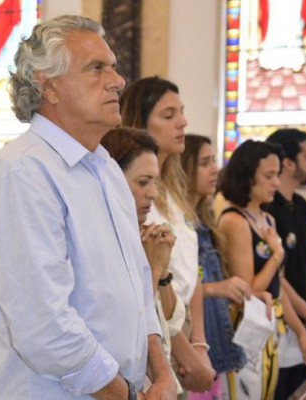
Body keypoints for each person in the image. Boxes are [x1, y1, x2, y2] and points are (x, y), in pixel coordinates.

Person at [0, 15, 176, 400]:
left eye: (113, 68)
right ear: (49, 86)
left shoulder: (107, 169)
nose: (117, 81)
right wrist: (125, 394)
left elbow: (135, 291)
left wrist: (161, 371)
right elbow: (43, 325)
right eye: (97, 68)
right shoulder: (22, 172)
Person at [120, 77, 215, 395]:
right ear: (140, 123)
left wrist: (199, 341)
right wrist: (188, 352)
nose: (183, 121)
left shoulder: (173, 187)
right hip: (159, 328)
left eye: (182, 112)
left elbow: (194, 268)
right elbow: (153, 279)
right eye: (168, 114)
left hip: (184, 323)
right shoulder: (131, 194)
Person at [217, 140, 306, 400]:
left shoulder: (267, 219)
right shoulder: (234, 220)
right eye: (268, 176)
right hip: (243, 327)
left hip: (271, 323)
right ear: (247, 177)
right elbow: (250, 290)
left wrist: (301, 333)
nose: (276, 183)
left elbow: (277, 288)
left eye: (277, 175)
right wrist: (277, 254)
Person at [101, 127, 184, 396]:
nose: (153, 194)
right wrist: (155, 267)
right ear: (112, 180)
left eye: (155, 182)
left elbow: (171, 324)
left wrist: (161, 273)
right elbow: (127, 322)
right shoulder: (100, 240)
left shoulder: (146, 236)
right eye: (142, 182)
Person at [181, 135, 251, 399]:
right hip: (191, 340)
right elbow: (176, 285)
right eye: (204, 163)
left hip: (213, 338)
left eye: (214, 160)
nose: (215, 169)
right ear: (183, 168)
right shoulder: (176, 220)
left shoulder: (204, 218)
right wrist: (216, 288)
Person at [263, 129, 306, 399]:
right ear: (288, 162)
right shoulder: (269, 207)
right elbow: (274, 274)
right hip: (283, 315)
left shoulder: (300, 203)